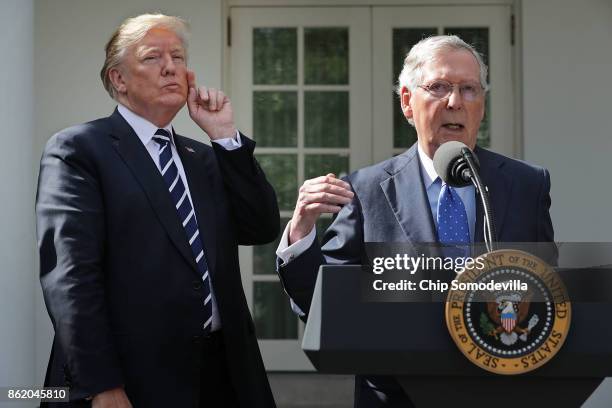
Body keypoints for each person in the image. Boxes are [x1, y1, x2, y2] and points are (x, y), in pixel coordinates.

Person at [276, 35, 555, 407]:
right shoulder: (365, 190)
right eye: (439, 87)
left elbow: (549, 291)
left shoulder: (526, 185)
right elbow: (320, 303)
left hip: (501, 391)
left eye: (469, 89)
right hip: (398, 395)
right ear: (408, 102)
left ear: (482, 105)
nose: (455, 102)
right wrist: (302, 230)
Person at [36, 13, 279, 407]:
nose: (170, 67)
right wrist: (101, 384)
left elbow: (261, 226)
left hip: (225, 372)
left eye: (178, 57)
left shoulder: (203, 156)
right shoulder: (80, 150)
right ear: (118, 79)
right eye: (152, 58)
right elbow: (71, 277)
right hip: (132, 375)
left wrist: (225, 138)